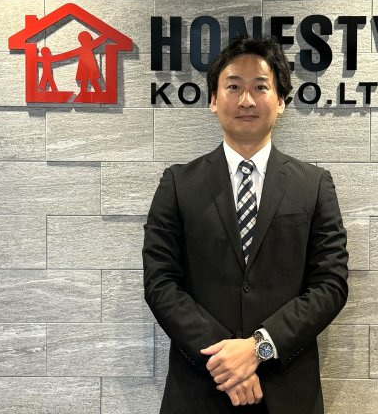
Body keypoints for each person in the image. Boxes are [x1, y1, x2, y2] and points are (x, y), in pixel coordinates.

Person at [142, 35, 349, 414]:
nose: (247, 100)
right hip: (199, 392)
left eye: (261, 87)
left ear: (281, 100)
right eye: (234, 87)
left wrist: (258, 348)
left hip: (288, 394)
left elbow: (330, 285)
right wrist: (225, 361)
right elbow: (161, 283)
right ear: (212, 99)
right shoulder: (178, 184)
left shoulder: (314, 185)